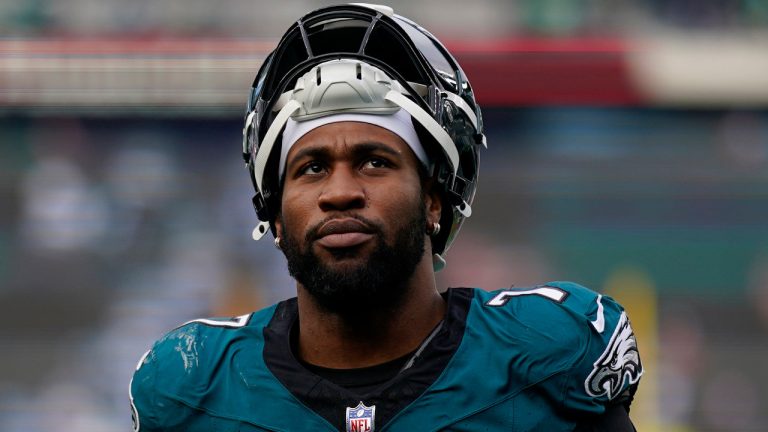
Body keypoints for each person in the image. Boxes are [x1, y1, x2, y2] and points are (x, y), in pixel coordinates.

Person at [129, 4, 643, 431]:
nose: (341, 192)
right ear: (276, 214)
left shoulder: (546, 357)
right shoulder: (192, 386)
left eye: (376, 162)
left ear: (435, 199)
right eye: (311, 168)